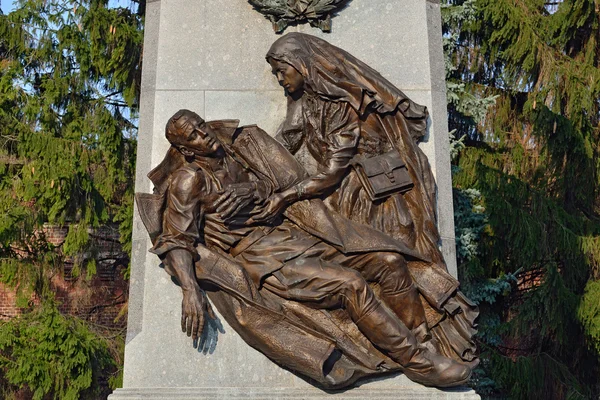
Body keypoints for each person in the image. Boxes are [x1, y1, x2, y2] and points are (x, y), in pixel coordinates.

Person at [136, 109, 471, 388]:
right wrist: (191, 290)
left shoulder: (238, 152)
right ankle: (418, 363)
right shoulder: (189, 180)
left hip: (292, 236)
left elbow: (275, 182)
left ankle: (421, 340)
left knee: (389, 260)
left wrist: (254, 189)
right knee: (350, 285)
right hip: (263, 259)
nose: (204, 133)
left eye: (201, 125)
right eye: (193, 135)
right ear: (188, 151)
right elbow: (177, 239)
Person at [260, 32, 477, 363]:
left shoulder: (343, 103)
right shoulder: (305, 98)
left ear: (301, 65)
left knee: (391, 260)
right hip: (341, 192)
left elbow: (333, 170)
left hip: (371, 196)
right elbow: (286, 139)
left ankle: (421, 338)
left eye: (281, 71)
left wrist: (287, 195)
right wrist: (251, 164)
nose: (279, 79)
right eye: (276, 72)